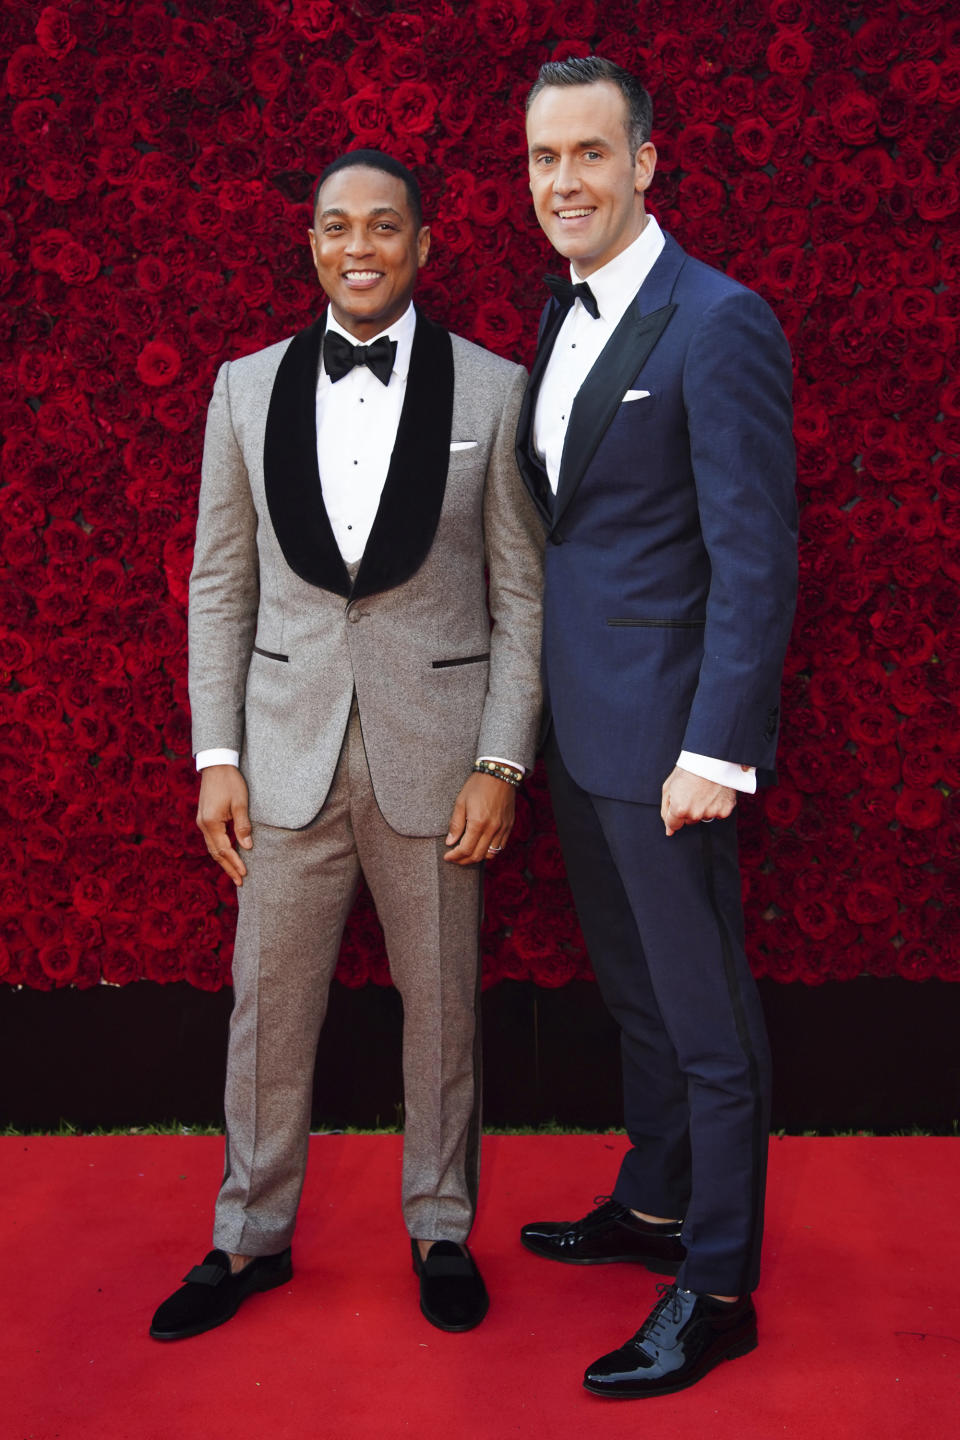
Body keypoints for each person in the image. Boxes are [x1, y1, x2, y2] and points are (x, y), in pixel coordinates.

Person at [149, 150, 543, 1341]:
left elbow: (524, 596)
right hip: (279, 755)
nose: (359, 247)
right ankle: (247, 1236)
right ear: (312, 244)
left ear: (425, 245)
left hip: (439, 755)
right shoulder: (240, 389)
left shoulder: (495, 391)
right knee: (265, 1009)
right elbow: (220, 585)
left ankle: (439, 1225)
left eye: (383, 227)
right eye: (335, 227)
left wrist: (503, 758)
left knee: (443, 1011)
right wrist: (215, 753)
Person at [515, 58, 797, 1398]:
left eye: (587, 154)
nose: (561, 182)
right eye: (539, 160)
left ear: (645, 165)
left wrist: (716, 749)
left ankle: (721, 1284)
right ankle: (660, 1204)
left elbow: (757, 557)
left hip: (672, 746)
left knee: (705, 1020)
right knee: (636, 1001)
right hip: (584, 731)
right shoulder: (559, 315)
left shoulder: (719, 320)